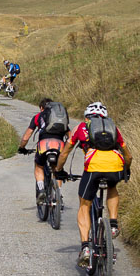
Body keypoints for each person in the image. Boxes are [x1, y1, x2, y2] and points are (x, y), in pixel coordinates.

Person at [55, 102, 133, 267]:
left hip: (94, 168)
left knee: (84, 205)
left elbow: (65, 152)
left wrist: (58, 170)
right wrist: (126, 170)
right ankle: (112, 224)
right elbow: (128, 155)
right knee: (112, 187)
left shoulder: (81, 128)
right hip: (114, 167)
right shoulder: (113, 128)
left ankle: (85, 248)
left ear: (86, 116)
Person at [17, 98, 70, 206]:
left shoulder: (38, 116)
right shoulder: (59, 118)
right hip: (59, 144)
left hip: (44, 145)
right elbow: (70, 136)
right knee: (57, 169)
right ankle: (58, 194)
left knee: (39, 166)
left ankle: (41, 190)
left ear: (41, 108)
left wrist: (22, 147)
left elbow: (27, 135)